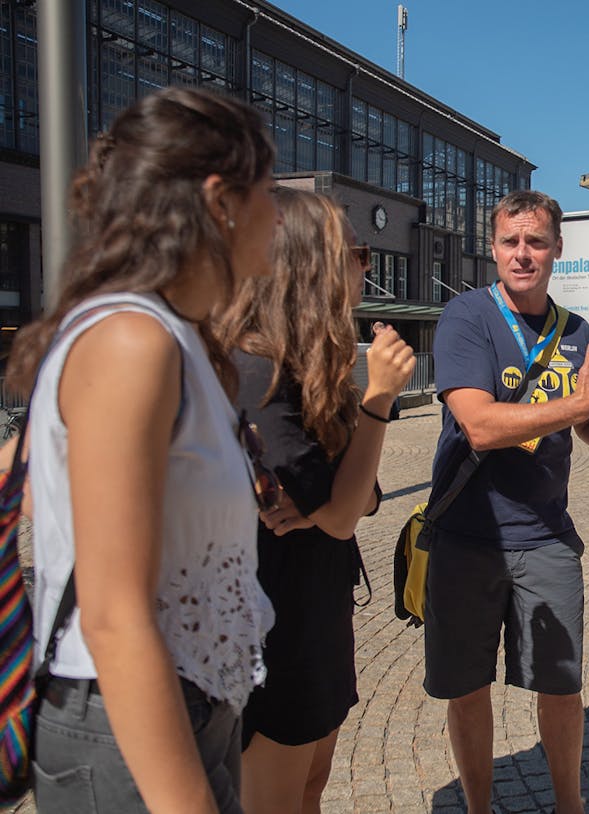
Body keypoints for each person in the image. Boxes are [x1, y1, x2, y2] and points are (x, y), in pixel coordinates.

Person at [13, 87, 278, 812]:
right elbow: (114, 614)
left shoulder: (176, 336)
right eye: (269, 192)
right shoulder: (130, 339)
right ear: (221, 201)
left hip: (189, 702)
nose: (279, 215)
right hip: (127, 722)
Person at [423, 189, 589, 814]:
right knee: (468, 687)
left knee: (561, 686)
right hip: (466, 535)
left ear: (557, 249)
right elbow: (478, 424)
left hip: (545, 538)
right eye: (511, 241)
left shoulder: (576, 330)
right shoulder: (465, 318)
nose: (523, 254)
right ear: (493, 246)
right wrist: (580, 406)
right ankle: (480, 807)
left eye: (536, 242)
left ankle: (570, 806)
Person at [217, 189, 415, 813]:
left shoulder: (311, 368)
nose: (366, 266)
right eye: (356, 253)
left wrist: (338, 498)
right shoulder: (258, 372)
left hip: (319, 614)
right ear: (313, 266)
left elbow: (365, 498)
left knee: (311, 785)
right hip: (275, 629)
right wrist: (378, 400)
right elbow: (338, 515)